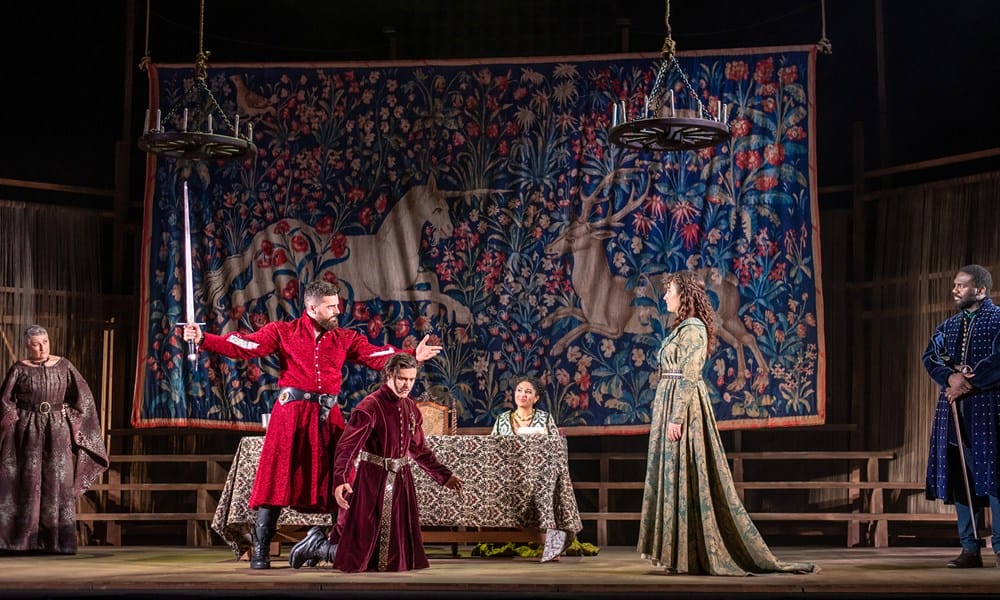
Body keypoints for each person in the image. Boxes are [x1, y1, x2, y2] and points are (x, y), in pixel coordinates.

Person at [182, 280, 441, 569]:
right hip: (290, 416)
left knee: (339, 475)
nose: (337, 311)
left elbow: (376, 355)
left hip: (328, 416)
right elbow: (246, 345)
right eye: (331, 307)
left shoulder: (344, 338)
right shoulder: (283, 332)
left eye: (337, 305)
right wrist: (204, 339)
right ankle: (261, 548)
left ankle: (335, 543)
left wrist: (409, 357)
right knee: (277, 477)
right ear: (312, 308)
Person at [636, 270, 814, 575]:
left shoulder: (693, 329)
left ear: (685, 296)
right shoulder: (681, 329)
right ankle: (681, 554)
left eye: (670, 290)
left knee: (687, 475)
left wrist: (676, 417)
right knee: (675, 477)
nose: (665, 295)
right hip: (670, 403)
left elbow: (690, 376)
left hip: (684, 409)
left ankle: (694, 553)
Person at [315, 352, 462, 572]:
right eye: (402, 378)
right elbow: (347, 447)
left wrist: (444, 475)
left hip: (401, 479)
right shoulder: (370, 406)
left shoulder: (410, 407)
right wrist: (340, 479)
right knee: (360, 547)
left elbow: (419, 450)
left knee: (396, 546)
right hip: (372, 479)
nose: (407, 385)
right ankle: (317, 547)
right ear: (389, 376)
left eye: (412, 380)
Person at [0, 325, 109, 554]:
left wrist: (71, 418)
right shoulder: (19, 369)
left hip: (57, 430)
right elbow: (4, 401)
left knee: (58, 481)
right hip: (26, 431)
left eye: (45, 342)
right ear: (27, 346)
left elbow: (84, 398)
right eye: (36, 344)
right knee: (28, 482)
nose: (42, 348)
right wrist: (13, 420)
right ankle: (22, 541)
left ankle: (59, 541)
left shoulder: (64, 366)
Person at [922, 264, 1000, 569]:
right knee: (960, 479)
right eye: (955, 285)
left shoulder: (998, 320)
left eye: (962, 286)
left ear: (980, 290)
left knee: (995, 477)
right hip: (953, 413)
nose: (956, 290)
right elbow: (931, 356)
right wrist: (949, 377)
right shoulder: (948, 327)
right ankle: (970, 549)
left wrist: (968, 383)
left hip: (989, 410)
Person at [478, 375, 596, 562]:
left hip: (538, 477)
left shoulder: (545, 419)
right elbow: (492, 449)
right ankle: (500, 539)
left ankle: (552, 547)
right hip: (509, 477)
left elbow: (555, 448)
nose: (522, 395)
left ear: (536, 398)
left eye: (528, 392)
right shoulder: (502, 420)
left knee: (549, 496)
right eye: (519, 391)